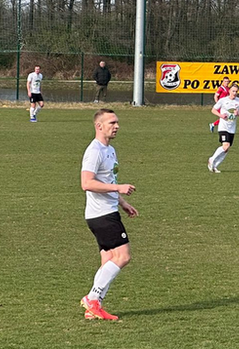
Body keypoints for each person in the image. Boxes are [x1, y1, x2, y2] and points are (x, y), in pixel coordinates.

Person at [79, 109, 139, 321]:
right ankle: (92, 298)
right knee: (123, 256)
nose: (117, 126)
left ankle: (94, 308)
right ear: (99, 126)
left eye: (117, 122)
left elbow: (106, 181)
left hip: (107, 212)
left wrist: (122, 202)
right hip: (102, 215)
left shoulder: (109, 150)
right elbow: (86, 183)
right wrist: (119, 187)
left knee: (108, 260)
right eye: (112, 122)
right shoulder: (94, 151)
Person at [208, 84, 239, 173]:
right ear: (229, 91)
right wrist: (220, 115)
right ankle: (211, 159)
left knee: (226, 148)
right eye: (233, 91)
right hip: (223, 126)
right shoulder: (223, 100)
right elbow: (213, 110)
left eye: (236, 91)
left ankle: (215, 166)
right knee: (225, 146)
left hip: (232, 128)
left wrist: (238, 113)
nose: (234, 93)